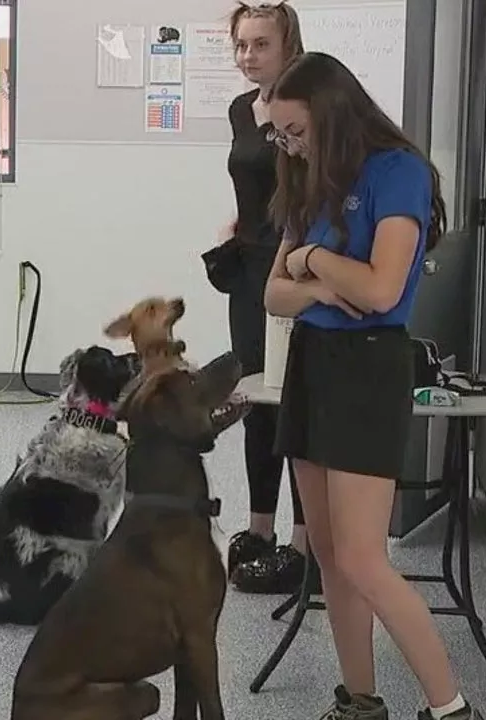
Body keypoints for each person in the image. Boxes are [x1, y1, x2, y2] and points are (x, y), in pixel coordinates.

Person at [263, 52, 483, 720]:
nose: (287, 146)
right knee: (329, 554)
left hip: (368, 367)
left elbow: (383, 289)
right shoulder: (309, 181)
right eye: (279, 134)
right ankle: (360, 701)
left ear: (331, 116)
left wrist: (313, 261)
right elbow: (273, 296)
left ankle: (450, 708)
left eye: (295, 131)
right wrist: (324, 282)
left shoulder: (399, 174)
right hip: (313, 364)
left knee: (364, 558)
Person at [218, 0, 308, 594]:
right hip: (250, 268)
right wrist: (235, 225)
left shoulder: (308, 110)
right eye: (241, 46)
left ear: (288, 47)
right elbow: (253, 183)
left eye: (260, 45)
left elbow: (311, 189)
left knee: (296, 398)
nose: (248, 56)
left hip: (295, 266)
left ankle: (306, 545)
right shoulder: (238, 110)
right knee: (254, 395)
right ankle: (259, 528)